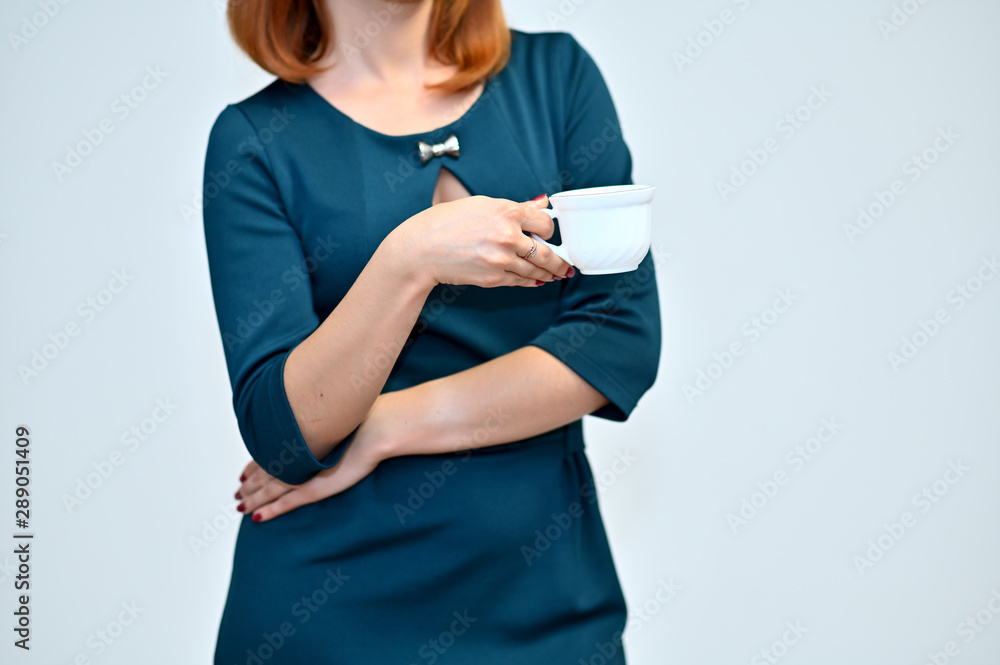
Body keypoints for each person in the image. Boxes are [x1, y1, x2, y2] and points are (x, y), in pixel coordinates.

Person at [202, 0, 661, 662]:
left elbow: (617, 340)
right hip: (328, 622)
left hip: (547, 606)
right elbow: (285, 435)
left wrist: (381, 430)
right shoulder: (255, 139)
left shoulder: (555, 76)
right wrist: (408, 260)